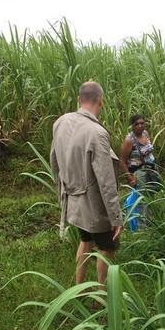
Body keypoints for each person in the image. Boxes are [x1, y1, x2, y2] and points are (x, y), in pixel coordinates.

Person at [50, 81, 123, 291]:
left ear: (79, 99)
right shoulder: (97, 133)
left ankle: (78, 289)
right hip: (94, 205)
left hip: (73, 200)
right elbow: (106, 180)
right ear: (101, 100)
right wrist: (116, 217)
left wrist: (62, 195)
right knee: (107, 248)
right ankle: (102, 295)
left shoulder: (60, 122)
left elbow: (54, 162)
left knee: (86, 241)